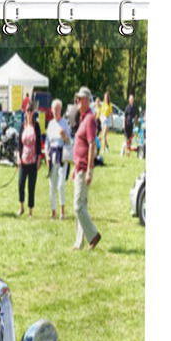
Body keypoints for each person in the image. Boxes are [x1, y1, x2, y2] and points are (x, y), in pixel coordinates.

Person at [72, 86, 101, 250]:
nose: (76, 101)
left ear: (86, 100)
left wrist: (89, 169)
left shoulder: (89, 119)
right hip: (79, 167)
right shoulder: (84, 118)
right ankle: (79, 242)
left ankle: (94, 235)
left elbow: (91, 145)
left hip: (84, 167)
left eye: (79, 99)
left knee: (78, 205)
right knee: (80, 205)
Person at [46, 98, 72, 220]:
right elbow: (47, 141)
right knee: (52, 185)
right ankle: (53, 212)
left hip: (62, 155)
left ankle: (62, 210)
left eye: (58, 109)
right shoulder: (50, 124)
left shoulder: (64, 123)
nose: (56, 111)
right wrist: (46, 154)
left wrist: (64, 136)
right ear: (51, 110)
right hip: (52, 155)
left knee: (61, 184)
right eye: (54, 109)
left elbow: (69, 141)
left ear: (61, 110)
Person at [15, 105, 41, 218]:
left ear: (33, 112)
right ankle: (21, 207)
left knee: (31, 186)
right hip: (23, 160)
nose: (29, 113)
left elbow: (39, 143)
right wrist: (18, 157)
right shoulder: (22, 126)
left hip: (33, 160)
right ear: (25, 112)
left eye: (31, 111)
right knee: (20, 183)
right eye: (27, 111)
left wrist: (39, 159)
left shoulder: (36, 126)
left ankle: (30, 211)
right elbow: (19, 144)